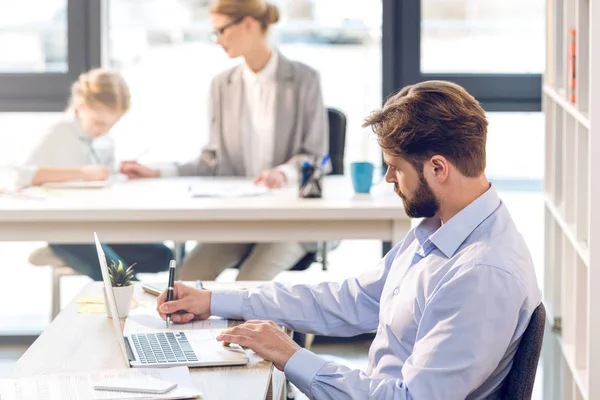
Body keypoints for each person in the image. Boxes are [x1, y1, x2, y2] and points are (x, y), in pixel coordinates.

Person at [156, 81, 542, 399]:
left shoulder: (482, 275)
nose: (389, 180)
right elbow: (352, 300)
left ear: (438, 168)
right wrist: (218, 299)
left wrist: (291, 355)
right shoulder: (440, 229)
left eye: (395, 168)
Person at [119, 0, 328, 281]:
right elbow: (212, 159)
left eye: (220, 31)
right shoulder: (222, 84)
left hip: (290, 220)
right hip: (239, 218)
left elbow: (315, 155)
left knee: (248, 283)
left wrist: (283, 172)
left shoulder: (304, 79)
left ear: (248, 25)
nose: (217, 41)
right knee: (188, 275)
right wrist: (156, 171)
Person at [18, 68, 173, 281]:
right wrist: (80, 173)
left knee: (164, 256)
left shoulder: (105, 141)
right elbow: (23, 176)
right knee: (121, 277)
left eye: (111, 125)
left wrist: (120, 174)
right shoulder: (59, 132)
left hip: (99, 226)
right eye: (99, 123)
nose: (103, 130)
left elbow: (104, 182)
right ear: (81, 107)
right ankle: (74, 256)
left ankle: (99, 261)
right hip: (67, 230)